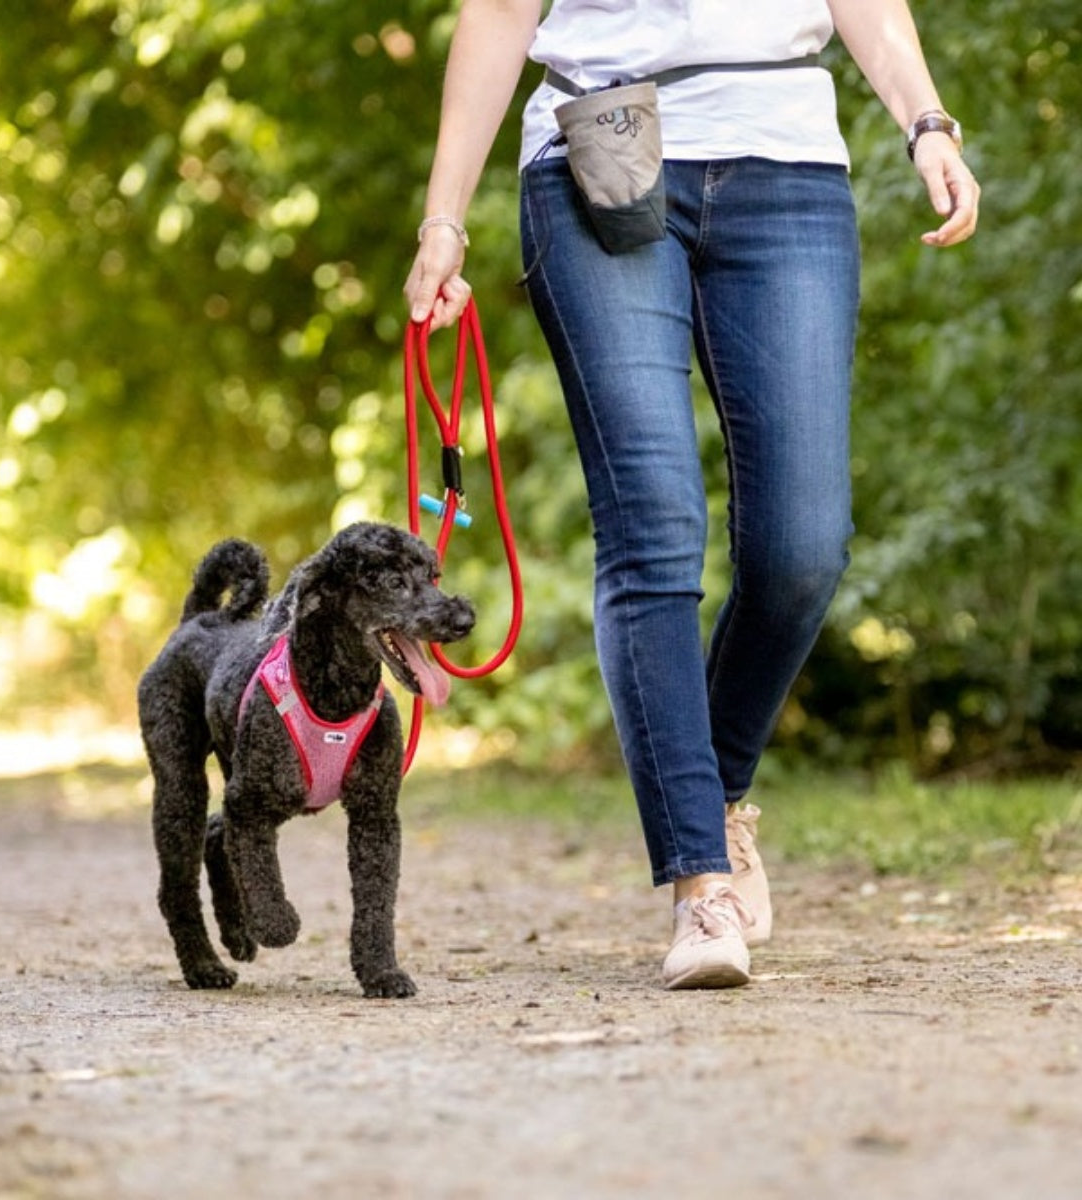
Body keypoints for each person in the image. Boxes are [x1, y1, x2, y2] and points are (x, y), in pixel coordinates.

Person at [404, 0, 979, 990]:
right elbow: (498, 11)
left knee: (803, 548)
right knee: (653, 527)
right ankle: (699, 885)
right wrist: (443, 221)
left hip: (788, 165)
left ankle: (717, 791)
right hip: (601, 152)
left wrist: (926, 122)